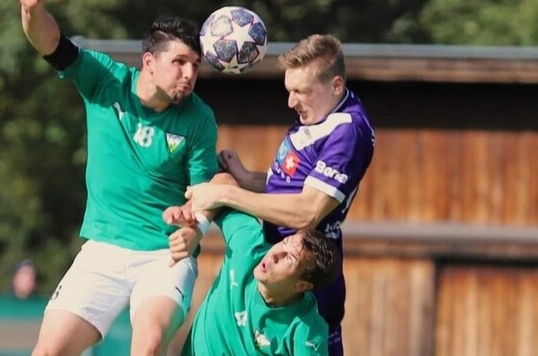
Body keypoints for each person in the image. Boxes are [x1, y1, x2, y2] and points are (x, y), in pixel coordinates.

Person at [20, 1, 219, 355]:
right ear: (149, 63)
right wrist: (33, 9)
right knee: (48, 352)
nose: (190, 74)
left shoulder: (200, 118)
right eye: (179, 62)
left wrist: (194, 228)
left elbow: (203, 193)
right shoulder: (105, 80)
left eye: (195, 65)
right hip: (104, 249)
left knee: (149, 345)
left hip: (164, 255)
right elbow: (50, 42)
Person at [187, 34, 375, 355]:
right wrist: (247, 178)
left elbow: (307, 212)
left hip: (303, 271)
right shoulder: (321, 113)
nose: (291, 102)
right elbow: (295, 186)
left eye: (300, 92)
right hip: (275, 260)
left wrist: (226, 196)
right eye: (289, 90)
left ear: (336, 85)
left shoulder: (348, 132)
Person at [163, 185, 341, 355]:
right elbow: (222, 183)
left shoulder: (306, 329)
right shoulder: (248, 245)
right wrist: (196, 227)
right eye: (284, 243)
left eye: (289, 258)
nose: (274, 254)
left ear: (301, 285)